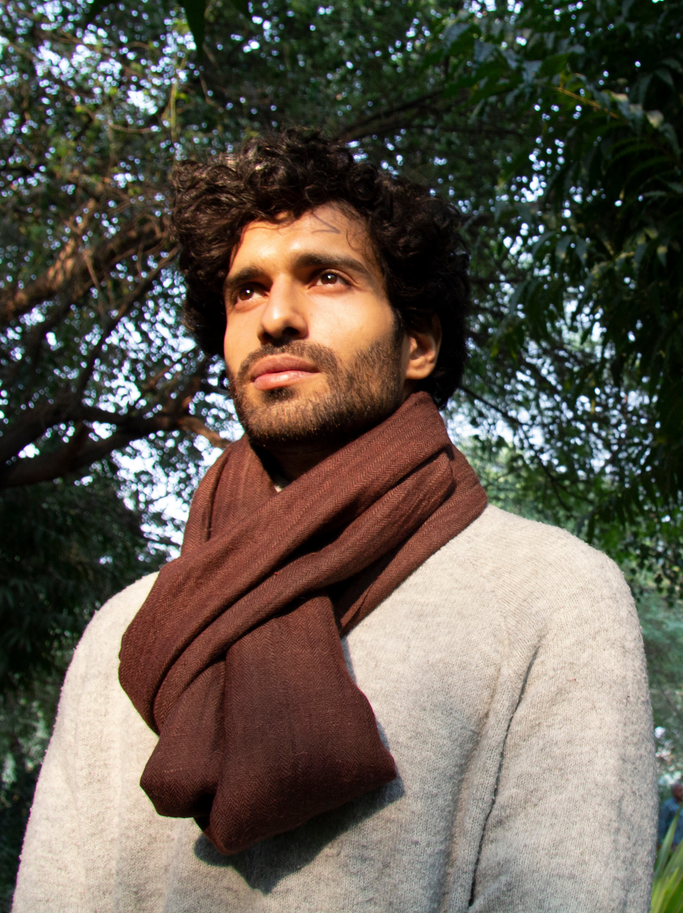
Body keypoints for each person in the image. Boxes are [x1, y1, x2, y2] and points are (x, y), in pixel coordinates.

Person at [13, 130, 656, 912]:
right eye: (246, 291)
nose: (275, 317)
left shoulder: (547, 595)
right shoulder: (126, 630)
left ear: (416, 344)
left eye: (325, 277)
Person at [659, 781, 683, 846]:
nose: (682, 793)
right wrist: (659, 841)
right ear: (674, 791)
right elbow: (662, 823)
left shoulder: (681, 804)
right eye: (680, 790)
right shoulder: (667, 805)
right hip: (672, 842)